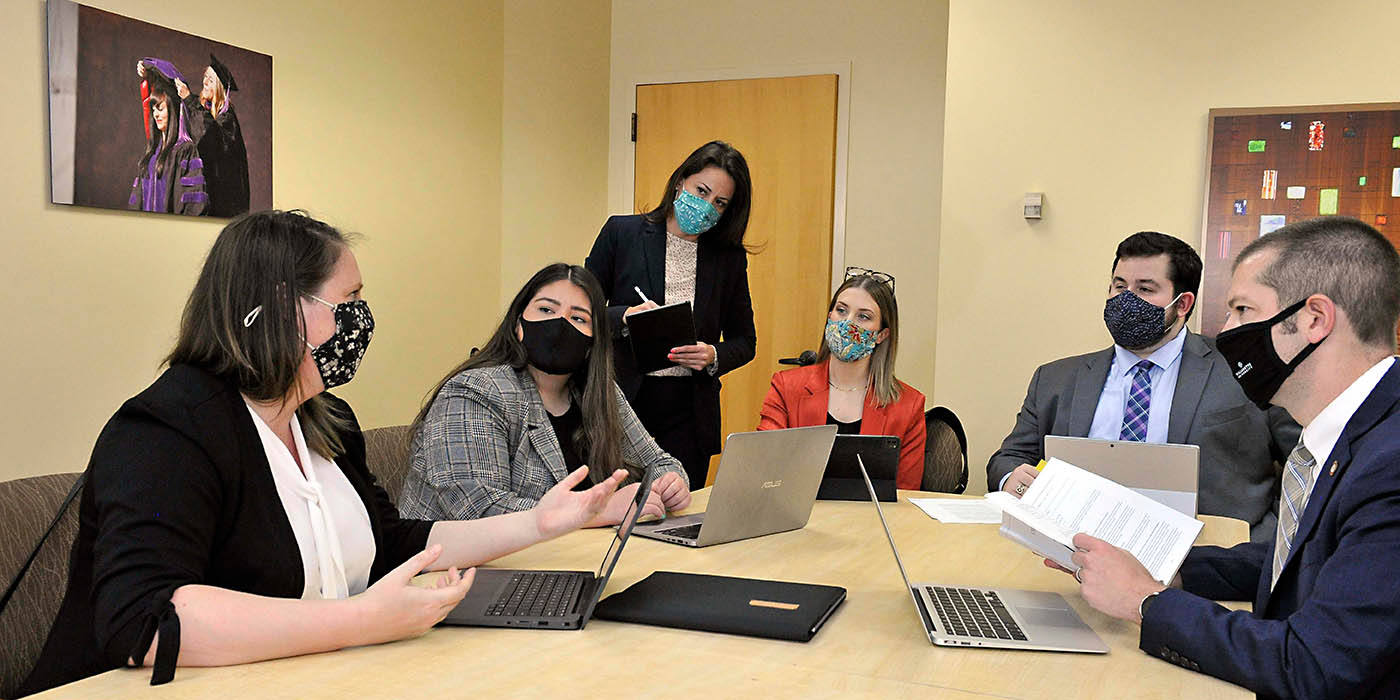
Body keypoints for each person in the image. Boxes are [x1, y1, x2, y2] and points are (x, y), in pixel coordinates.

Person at [18, 211, 626, 695]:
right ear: (281, 309)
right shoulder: (165, 428)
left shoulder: (326, 419)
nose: (362, 319)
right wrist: (362, 620)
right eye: (348, 301)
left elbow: (391, 543)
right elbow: (147, 621)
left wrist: (541, 523)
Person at [1061, 217, 1400, 698]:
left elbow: (1312, 666)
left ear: (1314, 321)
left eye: (1243, 309)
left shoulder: (1390, 463)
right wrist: (1169, 568)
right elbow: (1303, 559)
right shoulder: (1364, 431)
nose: (1225, 332)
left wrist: (1147, 601)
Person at [987, 231, 1299, 541]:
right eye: (1119, 286)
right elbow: (1009, 457)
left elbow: (1304, 463)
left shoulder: (1243, 369)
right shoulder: (1056, 378)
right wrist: (1010, 477)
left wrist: (1268, 538)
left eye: (1145, 289)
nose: (1126, 299)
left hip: (1209, 556)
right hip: (1075, 548)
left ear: (1182, 304)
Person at [398, 263, 691, 522]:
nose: (560, 324)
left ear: (592, 342)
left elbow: (659, 462)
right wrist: (596, 511)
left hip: (569, 559)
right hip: (454, 574)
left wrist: (671, 482)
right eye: (546, 310)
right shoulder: (475, 392)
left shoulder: (599, 392)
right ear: (518, 326)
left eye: (578, 318)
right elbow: (480, 510)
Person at [585, 141, 757, 487]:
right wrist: (625, 316)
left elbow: (745, 341)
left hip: (689, 413)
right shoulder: (622, 233)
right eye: (701, 191)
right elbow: (581, 312)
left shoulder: (728, 258)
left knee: (678, 514)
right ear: (681, 181)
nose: (707, 206)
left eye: (720, 203)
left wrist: (712, 354)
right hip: (624, 402)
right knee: (618, 511)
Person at [757, 268, 927, 488]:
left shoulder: (909, 405)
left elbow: (905, 496)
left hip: (871, 521)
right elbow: (765, 467)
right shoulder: (785, 387)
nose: (847, 323)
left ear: (882, 335)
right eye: (841, 310)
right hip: (797, 520)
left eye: (863, 316)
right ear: (829, 318)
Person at [176, 53, 250, 217]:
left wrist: (189, 99)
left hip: (223, 203)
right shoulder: (203, 108)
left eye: (210, 79)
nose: (204, 82)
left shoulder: (227, 117)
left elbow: (211, 136)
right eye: (204, 77)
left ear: (219, 86)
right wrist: (149, 72)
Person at [129, 58, 206, 215]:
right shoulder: (152, 153)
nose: (155, 114)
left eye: (160, 108)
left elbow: (193, 205)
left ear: (172, 110)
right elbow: (136, 202)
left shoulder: (185, 150)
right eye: (153, 109)